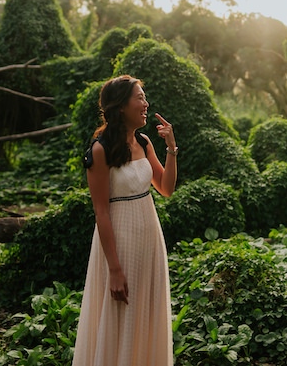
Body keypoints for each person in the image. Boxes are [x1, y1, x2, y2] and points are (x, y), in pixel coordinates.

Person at [73, 75, 178, 366]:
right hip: (120, 240)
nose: (145, 104)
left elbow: (166, 189)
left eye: (144, 98)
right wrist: (114, 269)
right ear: (120, 106)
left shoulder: (144, 142)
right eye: (139, 98)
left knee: (147, 308)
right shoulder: (100, 150)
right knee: (122, 312)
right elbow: (101, 212)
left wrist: (170, 147)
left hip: (149, 236)